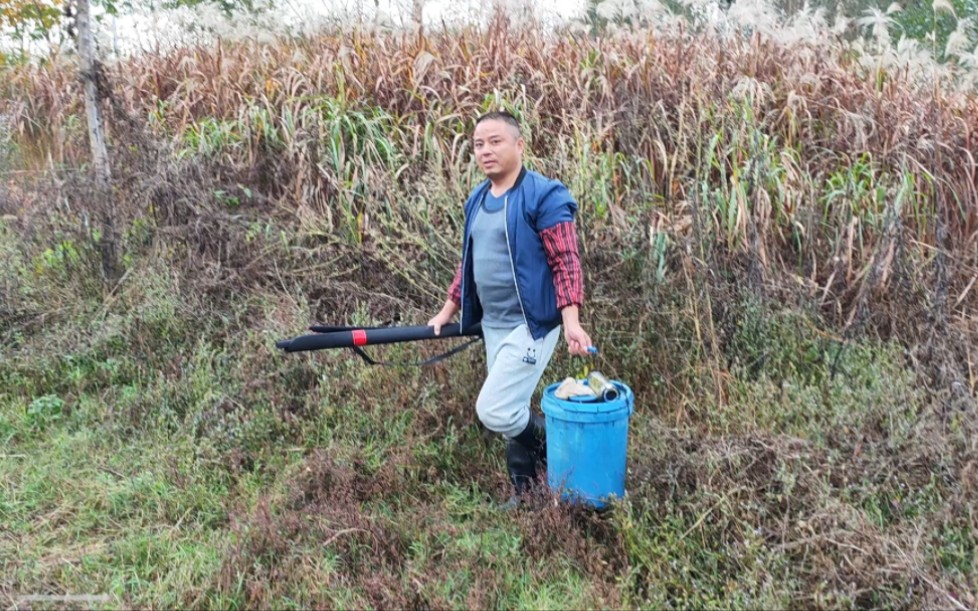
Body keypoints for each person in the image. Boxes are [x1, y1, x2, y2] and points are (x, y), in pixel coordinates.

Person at [427, 110, 593, 508]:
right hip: (494, 325)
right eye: (479, 144)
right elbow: (468, 262)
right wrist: (448, 310)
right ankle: (527, 493)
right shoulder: (477, 199)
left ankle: (560, 450)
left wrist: (571, 321)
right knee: (510, 408)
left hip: (532, 325)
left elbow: (565, 260)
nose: (486, 151)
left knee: (494, 409)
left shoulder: (544, 196)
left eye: (496, 141)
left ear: (519, 145)